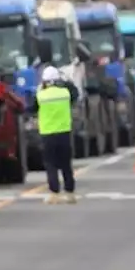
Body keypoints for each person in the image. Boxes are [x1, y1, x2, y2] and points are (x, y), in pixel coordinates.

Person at [36, 65, 79, 204]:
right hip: (64, 133)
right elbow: (75, 93)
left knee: (51, 164)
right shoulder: (65, 93)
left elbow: (29, 107)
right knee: (66, 164)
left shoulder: (40, 95)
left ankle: (54, 193)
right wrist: (65, 81)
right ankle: (70, 193)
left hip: (47, 134)